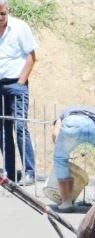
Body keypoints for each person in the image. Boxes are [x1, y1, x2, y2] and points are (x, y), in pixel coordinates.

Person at [0, 0, 36, 185]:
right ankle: (10, 172)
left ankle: (29, 172)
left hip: (17, 83)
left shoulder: (20, 28)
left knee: (20, 127)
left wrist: (21, 82)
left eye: (3, 14)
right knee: (3, 129)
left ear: (8, 11)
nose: (0, 18)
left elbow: (31, 56)